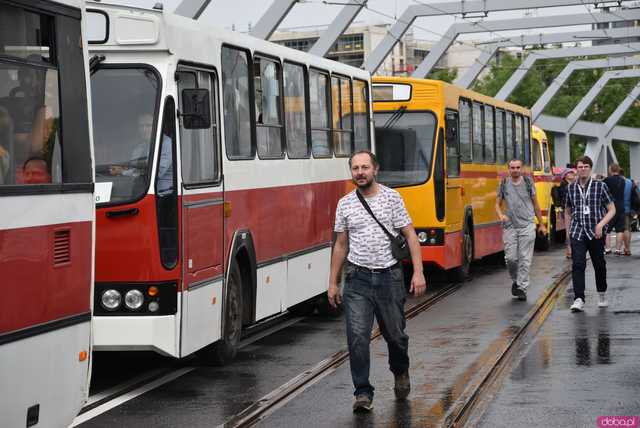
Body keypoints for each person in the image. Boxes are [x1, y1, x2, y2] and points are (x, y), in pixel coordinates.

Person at [327, 150, 427, 412]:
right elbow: (340, 245)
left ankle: (400, 371)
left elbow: (411, 236)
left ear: (375, 170)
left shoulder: (392, 199)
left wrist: (418, 272)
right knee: (358, 338)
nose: (359, 172)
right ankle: (362, 392)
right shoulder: (345, 204)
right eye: (355, 168)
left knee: (395, 336)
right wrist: (333, 282)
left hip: (389, 278)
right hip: (357, 279)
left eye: (364, 167)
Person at [565, 156, 616, 312]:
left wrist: (601, 224)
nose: (583, 169)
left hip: (595, 232)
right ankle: (579, 298)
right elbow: (568, 212)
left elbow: (612, 209)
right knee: (578, 264)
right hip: (577, 231)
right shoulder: (571, 188)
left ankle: (601, 293)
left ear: (590, 168)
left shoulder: (600, 186)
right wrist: (568, 237)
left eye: (586, 166)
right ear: (576, 169)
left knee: (599, 264)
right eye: (580, 167)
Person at [495, 159, 546, 301]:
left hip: (527, 225)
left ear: (521, 168)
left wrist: (541, 224)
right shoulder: (504, 183)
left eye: (518, 167)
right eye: (512, 168)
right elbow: (497, 204)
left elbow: (536, 205)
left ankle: (522, 287)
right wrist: (501, 215)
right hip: (510, 225)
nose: (515, 170)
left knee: (525, 258)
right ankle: (516, 281)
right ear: (508, 169)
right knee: (511, 258)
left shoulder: (529, 183)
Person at [603, 164, 628, 255]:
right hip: (621, 206)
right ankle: (618, 250)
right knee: (620, 229)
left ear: (610, 170)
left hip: (610, 206)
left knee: (607, 229)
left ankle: (608, 249)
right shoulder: (623, 180)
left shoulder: (607, 180)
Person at [556, 168, 576, 258]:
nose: (572, 174)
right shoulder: (563, 186)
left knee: (573, 230)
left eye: (572, 172)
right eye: (570, 173)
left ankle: (571, 250)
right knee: (569, 230)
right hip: (566, 210)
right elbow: (562, 199)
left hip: (574, 209)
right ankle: (569, 251)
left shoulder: (574, 184)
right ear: (565, 175)